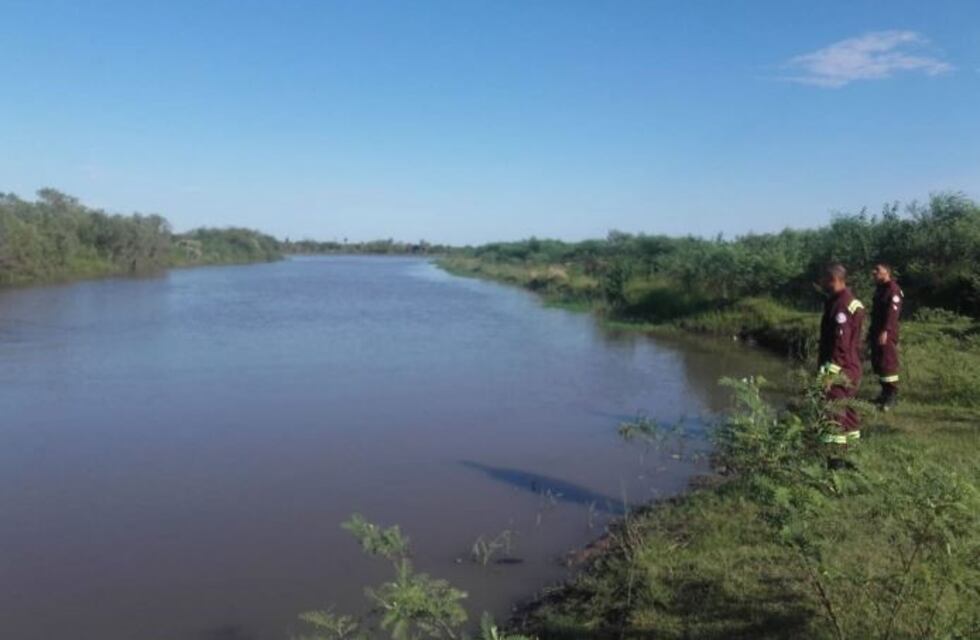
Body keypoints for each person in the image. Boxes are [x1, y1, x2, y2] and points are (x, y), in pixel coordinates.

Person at [818, 263, 865, 444]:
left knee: (834, 411)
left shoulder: (841, 306)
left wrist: (831, 374)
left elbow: (840, 344)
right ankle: (851, 450)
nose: (821, 283)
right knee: (849, 410)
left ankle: (835, 461)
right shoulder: (845, 301)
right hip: (851, 366)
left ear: (834, 279)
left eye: (823, 279)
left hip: (840, 369)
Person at [869, 262, 903, 410]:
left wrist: (886, 331)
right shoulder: (880, 289)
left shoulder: (893, 290)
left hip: (886, 333)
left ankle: (892, 396)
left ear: (886, 273)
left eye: (877, 270)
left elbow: (892, 313)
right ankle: (884, 393)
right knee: (879, 362)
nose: (874, 272)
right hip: (876, 330)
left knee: (887, 362)